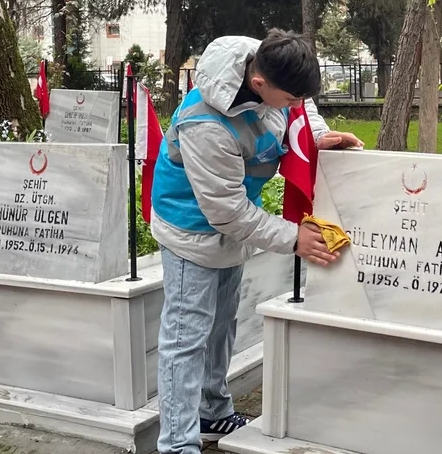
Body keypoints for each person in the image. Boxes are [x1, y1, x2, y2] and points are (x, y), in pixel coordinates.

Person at [150, 28, 363, 454]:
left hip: (231, 227)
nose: (296, 105)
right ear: (260, 84)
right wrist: (294, 238)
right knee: (186, 338)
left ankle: (211, 413)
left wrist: (317, 136)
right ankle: (176, 444)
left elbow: (301, 109)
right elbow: (226, 212)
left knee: (221, 327)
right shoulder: (205, 125)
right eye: (289, 98)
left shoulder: (268, 62)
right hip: (191, 231)